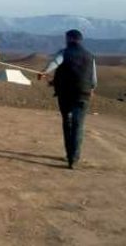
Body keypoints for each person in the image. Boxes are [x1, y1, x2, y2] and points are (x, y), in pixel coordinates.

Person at [40, 29, 97, 169]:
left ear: (69, 39)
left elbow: (55, 63)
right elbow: (94, 79)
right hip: (83, 94)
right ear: (80, 40)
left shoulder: (64, 52)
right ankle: (74, 158)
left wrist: (44, 72)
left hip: (66, 94)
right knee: (78, 125)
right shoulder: (90, 56)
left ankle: (69, 155)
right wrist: (91, 89)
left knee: (67, 123)